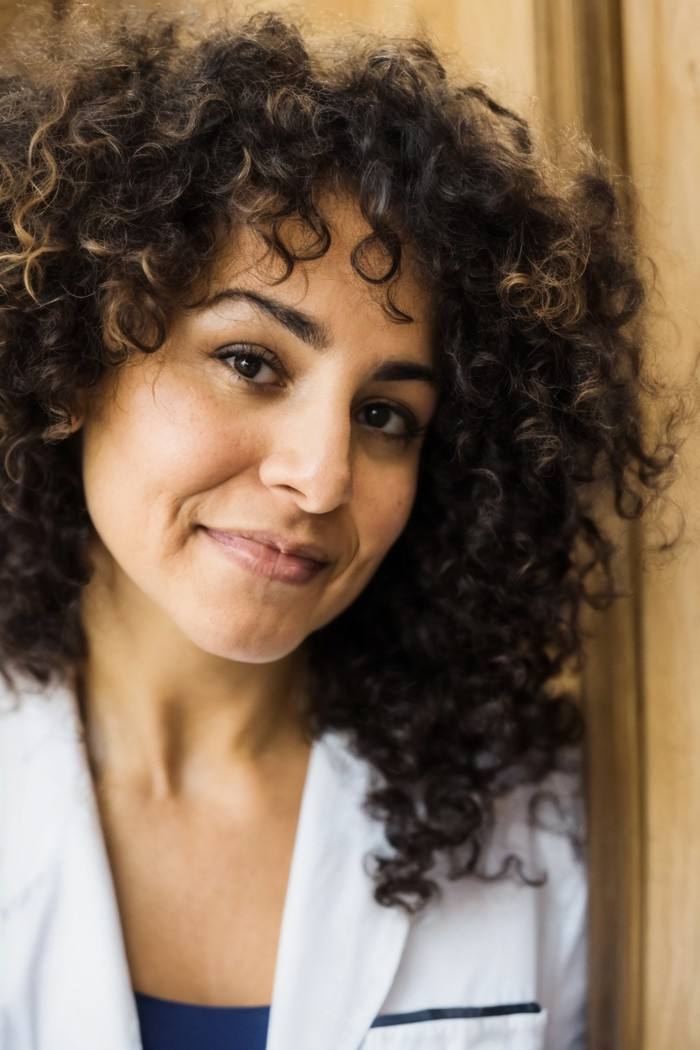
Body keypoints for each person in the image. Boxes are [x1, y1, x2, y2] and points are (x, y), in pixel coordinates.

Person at [0, 5, 677, 1049]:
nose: (320, 479)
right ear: (74, 358)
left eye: (384, 417)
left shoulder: (536, 826)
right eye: (250, 362)